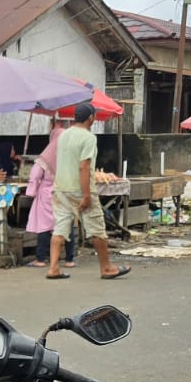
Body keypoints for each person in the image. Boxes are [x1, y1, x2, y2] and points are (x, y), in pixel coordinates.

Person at [47, 103, 129, 279]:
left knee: (60, 228)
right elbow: (84, 166)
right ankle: (106, 268)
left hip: (61, 188)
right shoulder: (88, 138)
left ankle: (53, 267)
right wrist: (86, 195)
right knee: (97, 229)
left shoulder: (63, 135)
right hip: (80, 189)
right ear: (91, 118)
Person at [25, 125, 76, 268]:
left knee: (44, 226)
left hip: (47, 194)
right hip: (65, 192)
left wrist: (31, 192)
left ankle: (40, 259)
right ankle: (69, 260)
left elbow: (34, 176)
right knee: (67, 225)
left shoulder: (45, 157)